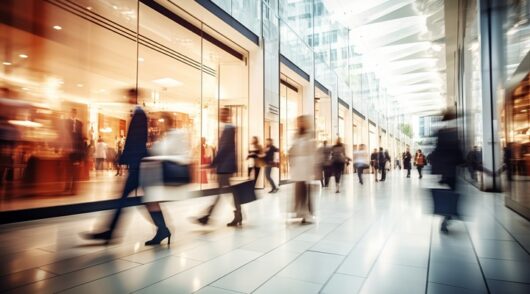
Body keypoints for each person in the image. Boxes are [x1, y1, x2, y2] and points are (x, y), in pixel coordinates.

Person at [82, 88, 148, 242]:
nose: (126, 99)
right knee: (144, 199)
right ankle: (162, 229)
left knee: (125, 198)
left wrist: (124, 159)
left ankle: (110, 231)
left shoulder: (139, 115)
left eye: (129, 96)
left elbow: (136, 141)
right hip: (138, 164)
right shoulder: (138, 114)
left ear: (134, 97)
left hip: (137, 164)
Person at [140, 113, 191, 245]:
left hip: (171, 175)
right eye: (158, 121)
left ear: (168, 122)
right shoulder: (164, 137)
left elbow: (182, 155)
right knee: (150, 200)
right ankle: (162, 230)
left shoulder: (177, 135)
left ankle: (162, 229)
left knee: (150, 200)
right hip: (160, 174)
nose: (158, 124)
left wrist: (161, 158)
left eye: (161, 121)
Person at [195, 107, 241, 227]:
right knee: (227, 191)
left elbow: (224, 149)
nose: (221, 115)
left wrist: (213, 163)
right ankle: (238, 214)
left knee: (222, 191)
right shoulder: (226, 128)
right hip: (225, 165)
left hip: (226, 166)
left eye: (224, 113)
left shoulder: (229, 128)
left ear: (228, 115)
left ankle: (208, 217)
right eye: (220, 113)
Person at [429, 110, 463, 233]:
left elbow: (437, 151)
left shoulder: (441, 132)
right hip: (452, 170)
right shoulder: (455, 132)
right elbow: (458, 152)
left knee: (447, 194)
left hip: (444, 170)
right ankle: (447, 216)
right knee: (452, 193)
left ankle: (446, 216)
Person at [289, 115, 316, 223]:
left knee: (306, 190)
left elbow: (312, 150)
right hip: (297, 166)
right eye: (298, 122)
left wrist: (312, 167)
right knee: (298, 189)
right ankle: (299, 211)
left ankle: (308, 213)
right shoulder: (296, 135)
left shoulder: (310, 134)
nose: (299, 124)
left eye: (301, 122)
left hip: (306, 164)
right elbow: (293, 148)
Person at [64, 108, 85, 193]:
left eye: (74, 112)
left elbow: (81, 138)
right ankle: (67, 186)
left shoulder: (80, 123)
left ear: (76, 114)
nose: (73, 114)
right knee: (68, 169)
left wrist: (82, 154)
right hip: (68, 148)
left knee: (76, 169)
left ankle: (74, 188)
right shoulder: (66, 122)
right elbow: (64, 135)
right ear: (70, 113)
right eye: (72, 112)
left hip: (77, 150)